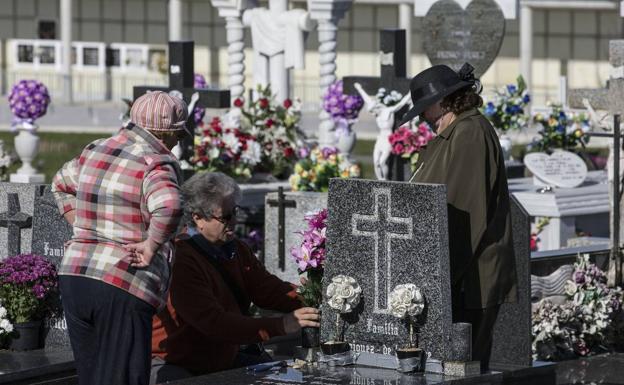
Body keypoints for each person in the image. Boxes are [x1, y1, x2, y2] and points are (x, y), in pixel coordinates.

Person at [52, 91, 188, 385]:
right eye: (178, 134)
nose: (179, 142)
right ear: (165, 132)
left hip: (76, 276)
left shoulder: (97, 148)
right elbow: (170, 205)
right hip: (123, 282)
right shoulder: (156, 161)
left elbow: (60, 183)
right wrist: (151, 245)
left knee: (91, 377)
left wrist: (84, 229)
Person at [400, 63, 517, 371]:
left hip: (468, 280)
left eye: (425, 109)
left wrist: (438, 280)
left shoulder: (469, 133)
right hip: (456, 277)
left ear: (443, 103)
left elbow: (464, 215)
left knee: (462, 368)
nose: (423, 118)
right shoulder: (455, 132)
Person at [150, 172, 320, 384]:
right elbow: (214, 323)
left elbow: (267, 289)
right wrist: (282, 325)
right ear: (197, 218)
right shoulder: (182, 260)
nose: (234, 221)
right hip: (178, 363)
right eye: (225, 217)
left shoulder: (235, 249)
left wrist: (314, 297)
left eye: (235, 212)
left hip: (219, 358)